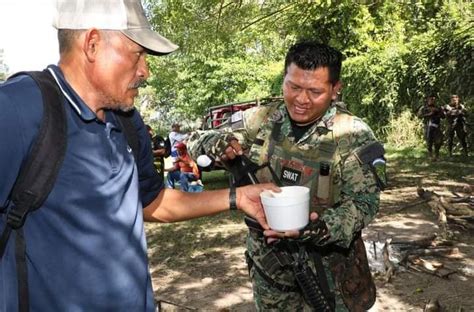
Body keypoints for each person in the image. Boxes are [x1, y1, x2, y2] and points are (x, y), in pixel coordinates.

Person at [0, 1, 278, 311]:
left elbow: (150, 201)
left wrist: (237, 197)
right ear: (92, 44)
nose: (145, 71)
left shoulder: (127, 121)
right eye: (138, 54)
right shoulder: (16, 111)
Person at [187, 41, 385, 311]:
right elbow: (196, 139)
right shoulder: (262, 120)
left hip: (329, 270)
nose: (301, 100)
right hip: (270, 267)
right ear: (284, 81)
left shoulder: (352, 135)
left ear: (335, 90)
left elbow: (364, 204)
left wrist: (320, 228)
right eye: (293, 87)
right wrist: (215, 143)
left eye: (315, 91)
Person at [417, 95, 445, 160]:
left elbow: (443, 116)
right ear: (427, 100)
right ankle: (430, 155)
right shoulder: (423, 108)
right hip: (427, 126)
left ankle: (437, 155)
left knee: (438, 141)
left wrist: (438, 111)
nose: (432, 100)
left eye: (433, 99)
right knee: (429, 141)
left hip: (436, 126)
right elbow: (419, 116)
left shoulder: (438, 107)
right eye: (431, 99)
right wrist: (429, 114)